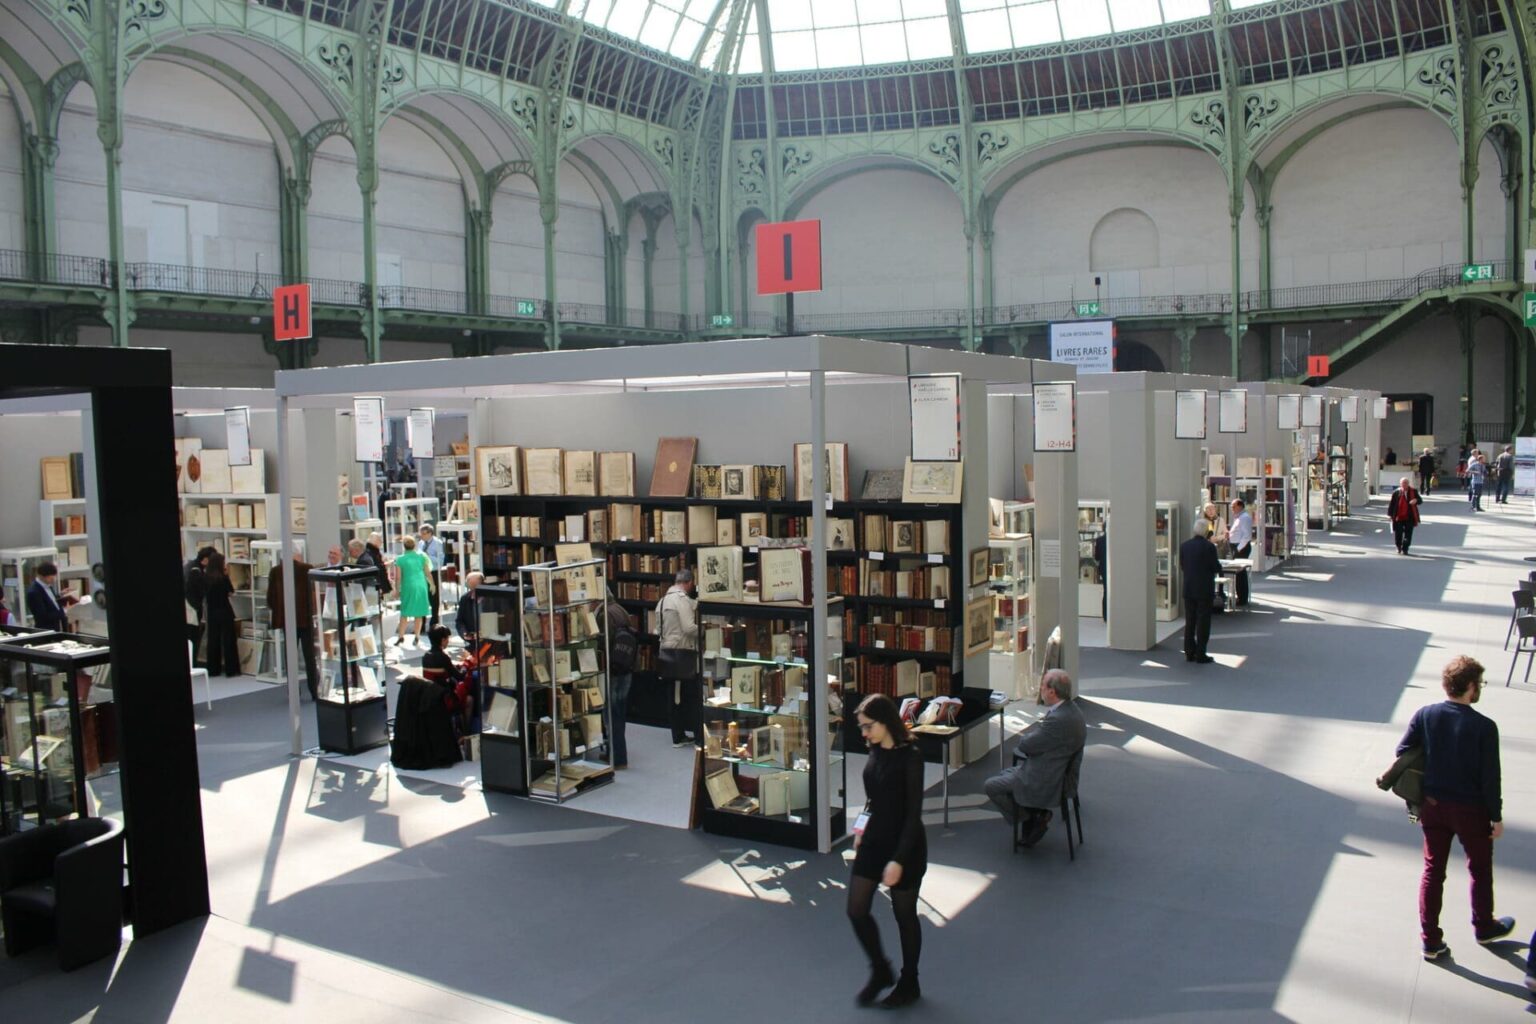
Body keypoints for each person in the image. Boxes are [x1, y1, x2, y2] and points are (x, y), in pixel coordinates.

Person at [1395, 656, 1514, 960]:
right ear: (1471, 686)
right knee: (1479, 869)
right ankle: (1484, 926)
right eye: (1480, 684)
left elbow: (1403, 751)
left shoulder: (1425, 715)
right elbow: (1491, 778)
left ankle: (1431, 941)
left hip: (1433, 807)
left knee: (1433, 871)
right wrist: (1495, 817)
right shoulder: (1485, 727)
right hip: (1471, 810)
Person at [847, 694, 927, 1008]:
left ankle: (910, 981)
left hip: (905, 845)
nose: (864, 734)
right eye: (862, 728)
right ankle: (880, 969)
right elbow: (872, 797)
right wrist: (859, 830)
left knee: (904, 915)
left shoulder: (911, 756)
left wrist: (898, 860)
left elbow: (912, 814)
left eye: (868, 727)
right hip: (874, 838)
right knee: (856, 909)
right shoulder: (875, 749)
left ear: (885, 722)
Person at [983, 669, 1086, 849]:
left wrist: (1030, 737)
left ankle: (1030, 817)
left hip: (1046, 779)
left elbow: (1026, 745)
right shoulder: (1073, 711)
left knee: (992, 786)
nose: (1040, 689)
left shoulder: (1057, 720)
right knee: (1006, 773)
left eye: (1042, 686)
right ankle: (1033, 814)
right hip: (1060, 772)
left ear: (1052, 692)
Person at [267, 543, 317, 700]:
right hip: (305, 619)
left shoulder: (275, 571)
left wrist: (279, 613)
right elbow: (313, 595)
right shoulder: (307, 569)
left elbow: (270, 598)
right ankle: (314, 690)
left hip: (287, 621)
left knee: (290, 657)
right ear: (298, 554)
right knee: (310, 656)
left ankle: (293, 692)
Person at [656, 568, 699, 747]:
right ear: (688, 583)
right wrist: (706, 629)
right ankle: (694, 735)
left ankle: (678, 734)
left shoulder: (663, 600)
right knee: (690, 696)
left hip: (667, 653)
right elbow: (689, 628)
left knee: (673, 696)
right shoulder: (681, 600)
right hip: (683, 652)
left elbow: (657, 629)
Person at [604, 588, 637, 769]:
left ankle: (617, 758)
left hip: (613, 669)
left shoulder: (605, 614)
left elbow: (604, 642)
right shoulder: (620, 609)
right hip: (627, 667)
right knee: (620, 713)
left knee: (611, 714)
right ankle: (618, 754)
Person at [1179, 521, 1220, 663]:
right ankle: (1201, 653)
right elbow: (1215, 567)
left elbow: (1182, 565)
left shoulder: (1184, 546)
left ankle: (1189, 651)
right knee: (1203, 621)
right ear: (1205, 532)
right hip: (1204, 589)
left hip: (1189, 588)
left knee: (1190, 621)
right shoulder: (1209, 547)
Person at [389, 535, 433, 648]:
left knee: (405, 613)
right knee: (419, 613)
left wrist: (397, 589)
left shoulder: (400, 559)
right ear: (415, 545)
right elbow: (428, 573)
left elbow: (398, 577)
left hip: (408, 585)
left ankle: (400, 637)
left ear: (404, 546)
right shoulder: (421, 557)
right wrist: (433, 584)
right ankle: (417, 636)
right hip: (421, 585)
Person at [202, 552, 240, 677]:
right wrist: (227, 575)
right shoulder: (223, 578)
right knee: (229, 640)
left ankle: (213, 669)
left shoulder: (205, 578)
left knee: (213, 641)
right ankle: (231, 669)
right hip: (225, 611)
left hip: (212, 612)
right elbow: (231, 592)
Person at [184, 545, 215, 663]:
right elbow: (202, 589)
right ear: (206, 560)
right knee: (193, 637)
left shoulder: (190, 566)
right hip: (191, 607)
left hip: (189, 606)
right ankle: (193, 663)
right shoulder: (195, 571)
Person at [27, 562, 75, 633]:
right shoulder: (34, 592)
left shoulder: (48, 585)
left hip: (60, 627)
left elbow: (50, 602)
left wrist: (60, 595)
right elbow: (43, 617)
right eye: (50, 577)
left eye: (54, 576)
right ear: (41, 576)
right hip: (47, 631)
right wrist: (64, 610)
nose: (53, 580)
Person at [1227, 498, 1254, 607]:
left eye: (1233, 506)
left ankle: (1242, 598)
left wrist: (1238, 549)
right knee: (1238, 574)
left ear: (1240, 506)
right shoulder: (1239, 517)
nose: (1231, 509)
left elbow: (1247, 536)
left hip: (1241, 548)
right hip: (1237, 547)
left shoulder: (1245, 518)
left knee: (1240, 573)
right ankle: (1240, 596)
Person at [1387, 476, 1423, 555]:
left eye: (1406, 483)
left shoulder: (1413, 491)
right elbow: (1392, 504)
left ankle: (1405, 548)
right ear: (1400, 484)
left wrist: (1416, 500)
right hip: (1398, 516)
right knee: (1398, 533)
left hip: (1409, 516)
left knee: (1408, 533)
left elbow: (1420, 500)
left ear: (1408, 484)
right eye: (1403, 483)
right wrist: (1390, 515)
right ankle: (1398, 546)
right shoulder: (1396, 492)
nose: (1404, 485)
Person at [419, 525, 445, 628]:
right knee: (422, 598)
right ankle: (421, 625)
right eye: (421, 534)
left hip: (433, 572)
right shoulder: (421, 543)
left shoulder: (437, 543)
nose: (422, 536)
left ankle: (434, 623)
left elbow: (441, 561)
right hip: (422, 573)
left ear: (430, 533)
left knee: (434, 598)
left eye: (424, 533)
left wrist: (427, 556)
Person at [455, 570, 483, 646]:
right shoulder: (465, 599)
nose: (473, 591)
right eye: (471, 588)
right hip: (473, 642)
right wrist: (464, 633)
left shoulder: (491, 598)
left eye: (475, 587)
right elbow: (459, 621)